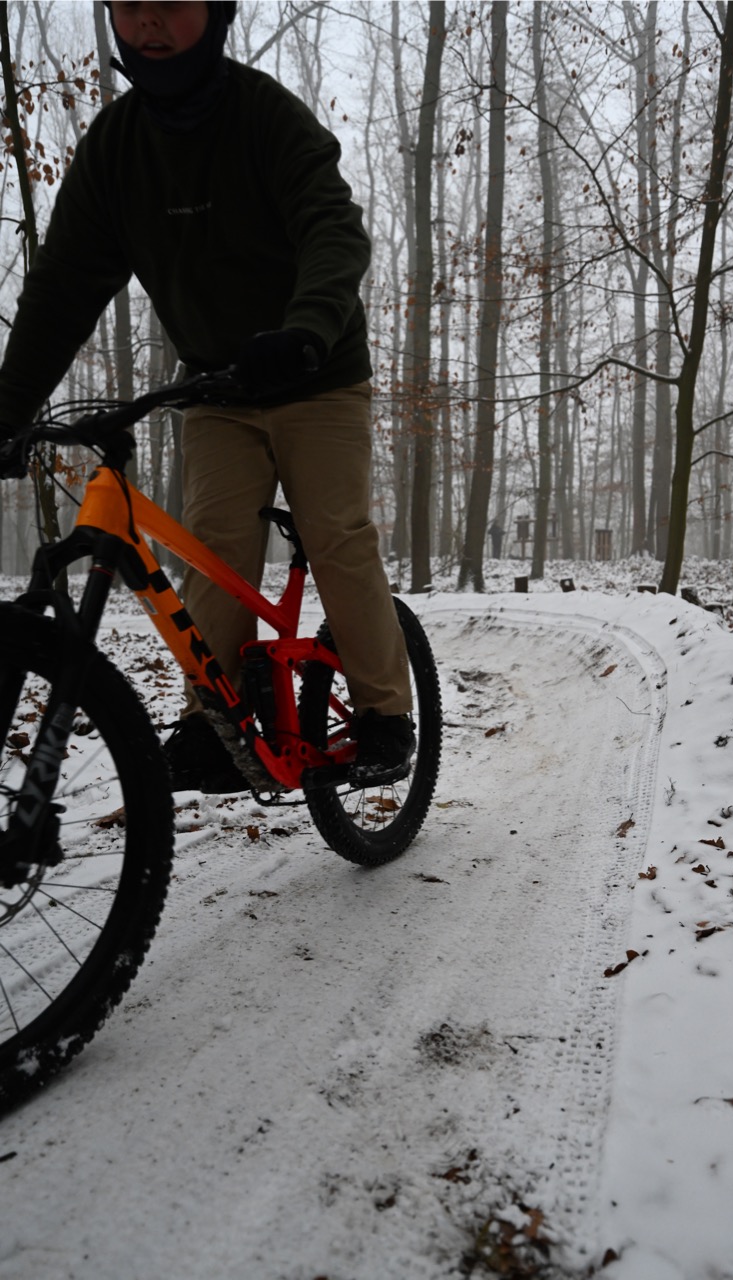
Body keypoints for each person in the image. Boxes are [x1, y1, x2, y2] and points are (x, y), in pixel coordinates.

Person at [0, 0, 413, 793]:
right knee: (214, 550)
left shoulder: (264, 116)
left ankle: (385, 714)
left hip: (316, 372)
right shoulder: (117, 149)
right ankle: (215, 726)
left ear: (214, 12)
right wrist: (8, 409)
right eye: (131, 7)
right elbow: (61, 289)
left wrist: (306, 326)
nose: (149, 24)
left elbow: (332, 227)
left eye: (171, 5)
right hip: (217, 387)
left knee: (335, 535)